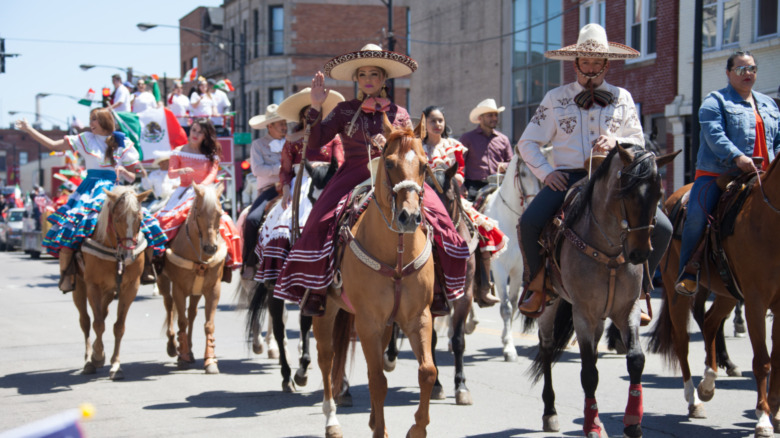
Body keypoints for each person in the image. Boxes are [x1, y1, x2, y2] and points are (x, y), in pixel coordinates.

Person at [274, 44, 469, 317]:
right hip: (353, 174)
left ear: (383, 79)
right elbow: (317, 141)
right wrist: (316, 106)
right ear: (356, 79)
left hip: (396, 175)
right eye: (362, 74)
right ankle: (317, 290)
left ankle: (438, 289)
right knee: (321, 220)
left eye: (374, 74)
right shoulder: (343, 110)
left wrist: (390, 144)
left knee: (440, 218)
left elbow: (408, 145)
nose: (368, 79)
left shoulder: (399, 112)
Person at [516, 23, 673, 318]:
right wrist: (547, 173)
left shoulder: (623, 97)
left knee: (663, 227)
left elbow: (638, 141)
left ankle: (640, 288)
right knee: (529, 222)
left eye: (596, 62)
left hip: (615, 180)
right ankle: (538, 285)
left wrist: (617, 141)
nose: (590, 68)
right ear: (576, 63)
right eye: (585, 62)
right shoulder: (554, 99)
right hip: (569, 177)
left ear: (606, 64)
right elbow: (527, 143)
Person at [15, 108, 166, 292]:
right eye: (90, 119)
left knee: (143, 221)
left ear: (104, 120)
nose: (91, 123)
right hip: (91, 188)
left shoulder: (121, 141)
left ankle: (147, 267)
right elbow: (54, 146)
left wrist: (129, 170)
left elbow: (134, 172)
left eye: (94, 119)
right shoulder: (85, 138)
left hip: (116, 188)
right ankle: (67, 273)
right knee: (72, 225)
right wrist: (29, 130)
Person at [675, 51, 780, 296]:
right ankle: (688, 273)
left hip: (764, 175)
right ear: (728, 73)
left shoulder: (769, 104)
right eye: (741, 69)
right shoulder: (715, 102)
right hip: (721, 175)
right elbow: (714, 136)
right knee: (697, 217)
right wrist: (737, 156)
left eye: (752, 68)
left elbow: (776, 142)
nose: (748, 74)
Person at [252, 87, 344, 285]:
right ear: (302, 117)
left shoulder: (333, 138)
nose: (311, 117)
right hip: (299, 182)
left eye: (315, 113)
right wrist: (285, 190)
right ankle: (277, 269)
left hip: (326, 182)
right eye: (307, 114)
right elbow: (285, 170)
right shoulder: (292, 141)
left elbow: (340, 163)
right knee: (282, 220)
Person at [422, 105, 505, 307]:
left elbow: (460, 173)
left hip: (450, 197)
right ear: (424, 123)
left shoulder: (453, 145)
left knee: (484, 229)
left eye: (440, 120)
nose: (437, 124)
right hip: (424, 200)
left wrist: (452, 181)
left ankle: (484, 286)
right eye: (433, 120)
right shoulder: (417, 147)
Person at [153, 118, 243, 281]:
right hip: (183, 191)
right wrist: (182, 171)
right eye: (194, 130)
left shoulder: (211, 153)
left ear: (206, 135)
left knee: (224, 223)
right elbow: (171, 173)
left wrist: (201, 189)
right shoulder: (178, 151)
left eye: (200, 132)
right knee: (164, 221)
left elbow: (212, 174)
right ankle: (159, 258)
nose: (195, 134)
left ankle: (226, 263)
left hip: (205, 191)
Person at [241, 104, 288, 279]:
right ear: (269, 126)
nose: (284, 127)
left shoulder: (292, 142)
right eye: (280, 124)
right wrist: (282, 168)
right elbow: (258, 170)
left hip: (292, 187)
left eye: (284, 123)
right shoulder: (258, 145)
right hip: (270, 189)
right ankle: (250, 262)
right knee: (252, 220)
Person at [459, 98, 514, 200]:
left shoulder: (503, 139)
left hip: (499, 185)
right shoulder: (467, 138)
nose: (494, 118)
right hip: (473, 187)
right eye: (490, 115)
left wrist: (505, 166)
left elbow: (512, 162)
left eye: (496, 115)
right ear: (480, 118)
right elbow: (458, 164)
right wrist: (460, 185)